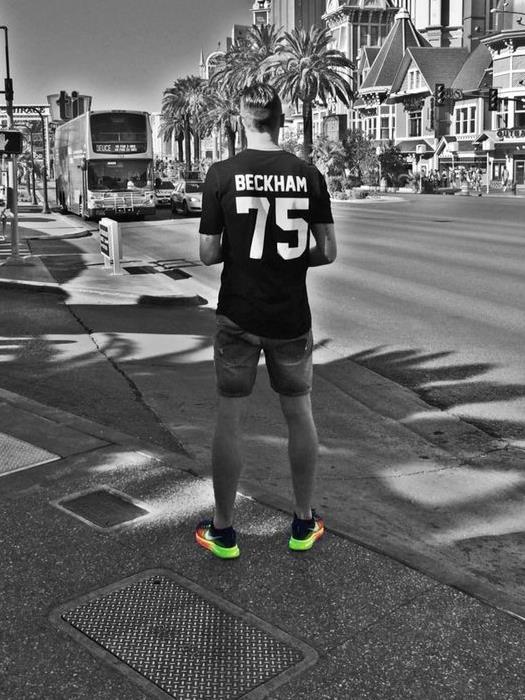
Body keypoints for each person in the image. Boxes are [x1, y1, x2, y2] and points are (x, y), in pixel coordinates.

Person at [196, 83, 337, 559]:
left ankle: (223, 530)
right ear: (281, 120)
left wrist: (245, 253)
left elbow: (208, 252)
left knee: (229, 419)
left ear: (242, 121)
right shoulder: (308, 174)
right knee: (299, 415)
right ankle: (302, 522)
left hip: (237, 313)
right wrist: (288, 259)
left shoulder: (221, 174)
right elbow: (328, 251)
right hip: (290, 317)